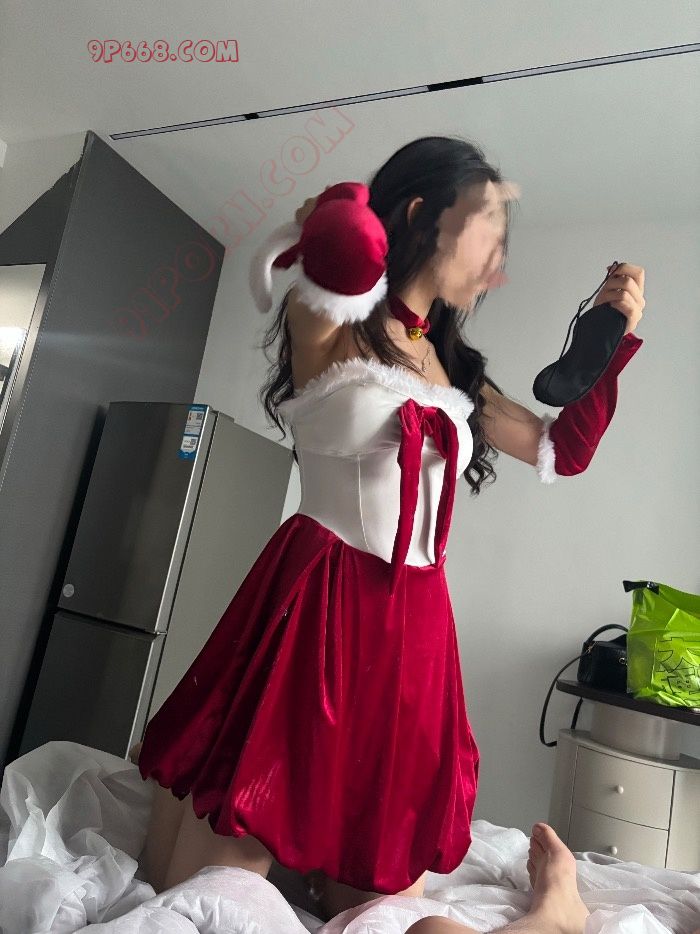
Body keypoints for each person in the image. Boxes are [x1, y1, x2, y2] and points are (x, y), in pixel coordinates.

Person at [132, 135, 646, 924]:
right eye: (486, 226)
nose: (499, 256)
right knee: (212, 891)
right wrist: (337, 214)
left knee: (386, 909)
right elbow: (343, 251)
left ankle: (553, 910)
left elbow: (562, 450)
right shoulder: (328, 319)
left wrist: (610, 336)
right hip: (316, 606)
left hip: (415, 633)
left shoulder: (457, 372)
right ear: (418, 215)